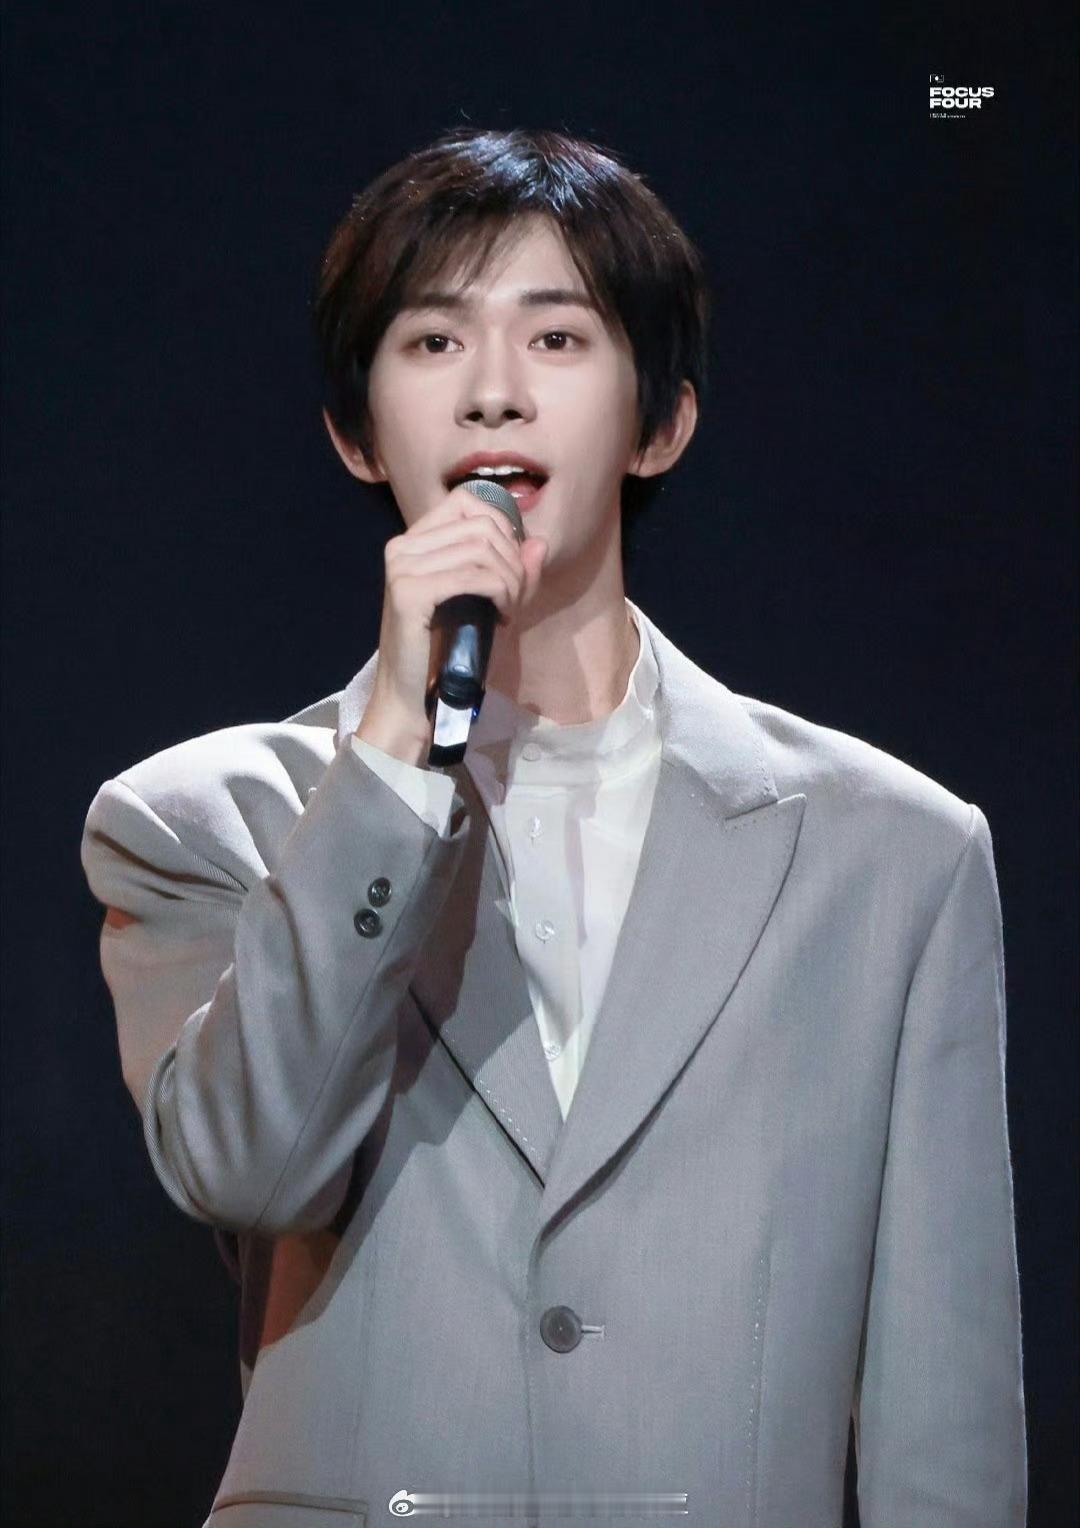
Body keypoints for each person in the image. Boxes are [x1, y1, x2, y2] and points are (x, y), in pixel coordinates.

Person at [80, 127, 1027, 1528]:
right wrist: (392, 754)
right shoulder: (200, 822)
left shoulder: (895, 856)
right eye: (432, 342)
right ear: (355, 433)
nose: (494, 392)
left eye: (559, 338)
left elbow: (942, 1416)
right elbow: (252, 1169)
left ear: (662, 424)